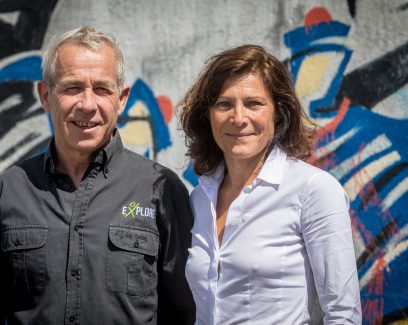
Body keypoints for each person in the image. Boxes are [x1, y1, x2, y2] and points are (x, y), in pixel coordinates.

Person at [0, 26, 195, 325]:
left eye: (102, 89)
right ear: (45, 95)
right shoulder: (10, 189)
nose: (88, 104)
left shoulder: (160, 189)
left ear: (122, 99)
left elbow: (185, 310)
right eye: (72, 87)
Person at [178, 44, 361, 324]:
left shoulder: (313, 190)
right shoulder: (199, 198)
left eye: (254, 104)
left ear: (278, 112)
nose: (239, 118)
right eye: (224, 104)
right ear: (208, 115)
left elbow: (343, 313)